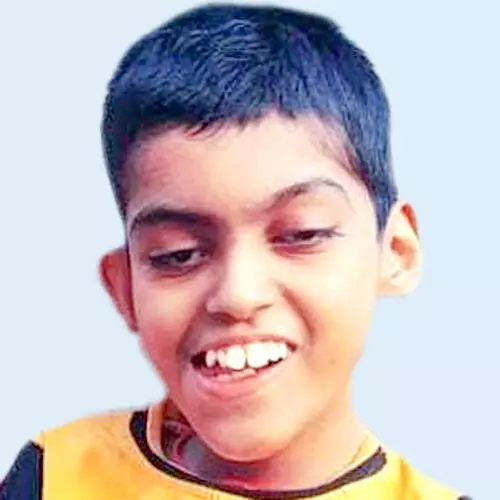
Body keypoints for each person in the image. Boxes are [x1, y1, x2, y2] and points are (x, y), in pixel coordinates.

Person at [0, 4, 472, 499]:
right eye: (177, 254)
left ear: (395, 250)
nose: (238, 294)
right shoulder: (55, 476)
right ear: (125, 289)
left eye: (302, 234)